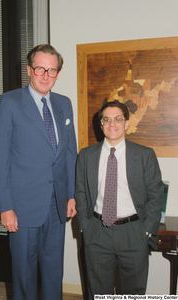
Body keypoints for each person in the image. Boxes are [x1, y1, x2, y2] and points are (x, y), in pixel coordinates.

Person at [0, 44, 77, 300]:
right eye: (40, 68)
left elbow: (69, 153)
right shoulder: (8, 102)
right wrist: (5, 207)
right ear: (29, 70)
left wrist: (71, 195)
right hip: (22, 206)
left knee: (53, 273)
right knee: (24, 275)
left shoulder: (64, 104)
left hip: (57, 204)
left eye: (52, 70)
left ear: (58, 73)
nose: (45, 75)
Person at [75, 101, 163, 298]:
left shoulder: (144, 155)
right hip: (97, 231)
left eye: (118, 119)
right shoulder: (86, 156)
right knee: (98, 292)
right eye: (107, 119)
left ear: (126, 124)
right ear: (101, 124)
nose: (112, 124)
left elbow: (156, 195)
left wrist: (147, 229)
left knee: (134, 292)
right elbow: (80, 192)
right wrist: (85, 227)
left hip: (134, 231)